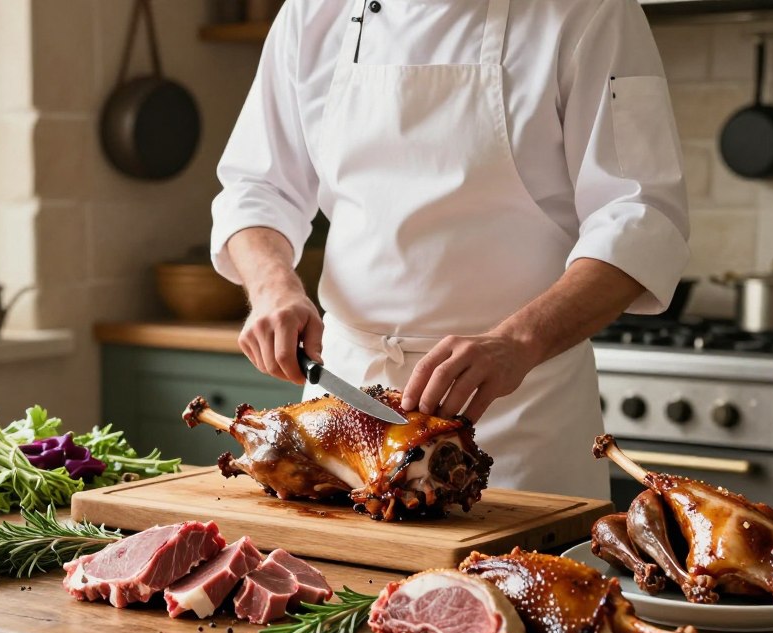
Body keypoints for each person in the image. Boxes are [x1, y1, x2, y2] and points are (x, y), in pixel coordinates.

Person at [210, 0, 689, 500]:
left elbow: (641, 215)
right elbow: (257, 188)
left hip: (519, 415)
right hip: (345, 408)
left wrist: (518, 343)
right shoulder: (312, 13)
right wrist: (272, 289)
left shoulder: (593, 12)